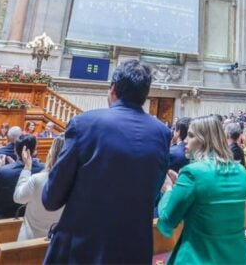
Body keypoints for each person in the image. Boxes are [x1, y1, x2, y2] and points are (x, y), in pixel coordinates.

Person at [42, 60, 171, 264]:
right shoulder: (162, 132)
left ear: (113, 89)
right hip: (134, 250)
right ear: (145, 95)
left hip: (81, 249)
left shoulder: (83, 123)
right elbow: (154, 191)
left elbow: (52, 198)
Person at [157, 115, 246, 264]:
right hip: (237, 257)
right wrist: (180, 187)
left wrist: (168, 190)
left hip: (200, 258)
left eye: (191, 135)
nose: (186, 141)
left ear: (205, 139)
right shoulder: (240, 171)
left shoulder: (192, 172)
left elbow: (167, 221)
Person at [14, 136, 65, 241]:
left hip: (30, 240)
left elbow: (18, 198)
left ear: (52, 154)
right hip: (56, 242)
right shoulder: (76, 182)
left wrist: (27, 168)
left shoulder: (37, 179)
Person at [0, 135, 44, 220]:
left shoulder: (4, 171)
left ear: (15, 150)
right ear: (34, 150)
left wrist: (0, 169)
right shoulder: (44, 169)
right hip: (30, 219)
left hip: (2, 221)